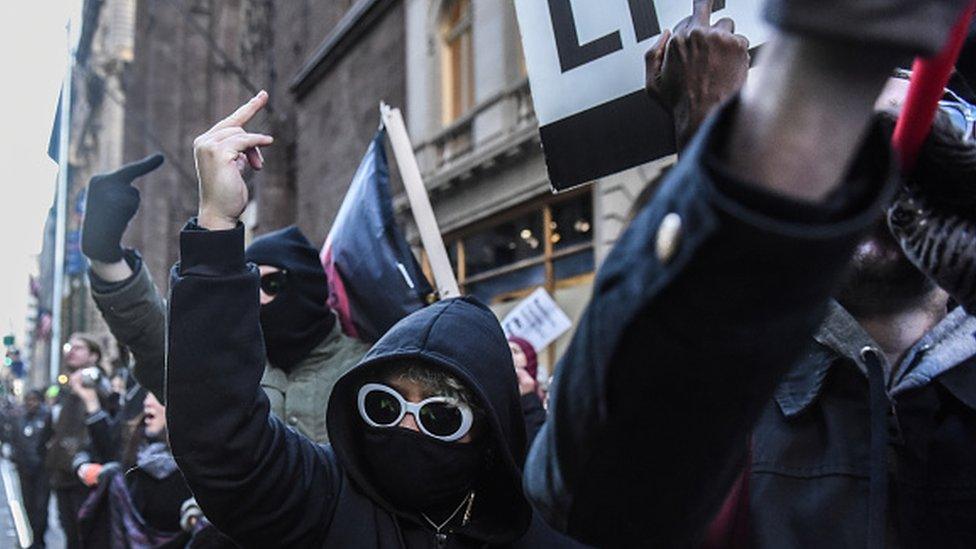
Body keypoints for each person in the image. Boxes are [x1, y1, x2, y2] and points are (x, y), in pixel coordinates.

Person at [522, 0, 976, 546]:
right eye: (849, 151)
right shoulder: (744, 396)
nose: (878, 178)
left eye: (909, 146)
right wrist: (730, 144)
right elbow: (586, 491)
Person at [161, 91, 588, 548]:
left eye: (441, 416)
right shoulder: (327, 501)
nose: (406, 427)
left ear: (486, 430)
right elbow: (222, 441)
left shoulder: (538, 535)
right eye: (384, 406)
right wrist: (215, 227)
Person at [80, 154, 367, 443]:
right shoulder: (229, 362)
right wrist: (105, 257)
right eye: (250, 283)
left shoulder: (366, 364)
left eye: (272, 283)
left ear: (309, 286)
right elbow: (159, 342)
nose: (258, 297)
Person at [45, 334, 116, 549]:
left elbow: (107, 432)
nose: (72, 351)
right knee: (70, 538)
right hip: (62, 475)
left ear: (93, 356)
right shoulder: (67, 389)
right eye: (70, 346)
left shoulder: (100, 386)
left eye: (79, 347)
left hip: (86, 478)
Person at [11, 390, 53, 549]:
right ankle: (31, 536)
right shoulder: (19, 419)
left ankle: (39, 539)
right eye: (28, 400)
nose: (31, 403)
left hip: (43, 470)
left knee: (41, 506)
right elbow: (15, 440)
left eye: (34, 400)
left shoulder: (47, 418)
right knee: (28, 504)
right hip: (24, 469)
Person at [507, 337, 546, 445]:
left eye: (515, 351)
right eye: (506, 351)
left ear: (529, 359)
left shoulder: (545, 399)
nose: (509, 356)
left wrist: (528, 397)